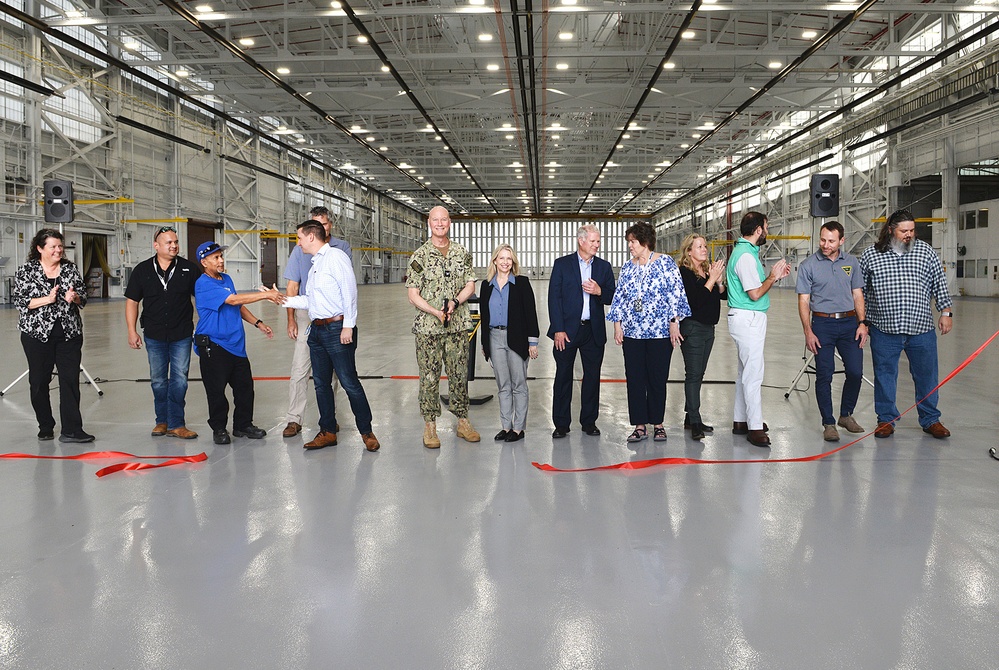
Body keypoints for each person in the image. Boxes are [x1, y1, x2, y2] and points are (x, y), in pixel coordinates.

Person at [283, 220, 379, 452]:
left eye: (299, 238)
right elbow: (310, 300)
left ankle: (366, 432)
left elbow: (350, 292)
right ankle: (327, 431)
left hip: (337, 330)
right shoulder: (315, 265)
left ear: (311, 237)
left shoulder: (335, 257)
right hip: (316, 330)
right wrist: (280, 299)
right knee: (321, 384)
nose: (298, 243)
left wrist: (348, 326)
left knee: (348, 382)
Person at [860, 209, 953, 439]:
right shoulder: (871, 255)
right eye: (904, 231)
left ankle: (931, 419)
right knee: (884, 376)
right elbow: (859, 291)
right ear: (891, 230)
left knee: (927, 376)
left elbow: (938, 283)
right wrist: (861, 321)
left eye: (912, 230)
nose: (909, 235)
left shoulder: (926, 252)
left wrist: (946, 312)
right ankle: (886, 420)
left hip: (921, 328)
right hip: (884, 328)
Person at [193, 241, 286, 445]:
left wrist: (257, 322)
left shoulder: (226, 279)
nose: (221, 260)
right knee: (216, 390)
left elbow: (238, 305)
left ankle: (243, 425)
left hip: (236, 344)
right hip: (214, 344)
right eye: (216, 257)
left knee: (245, 388)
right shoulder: (203, 283)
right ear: (204, 261)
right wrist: (267, 295)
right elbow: (232, 300)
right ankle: (219, 428)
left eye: (221, 256)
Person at [607, 222, 690, 442]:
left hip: (659, 332)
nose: (630, 247)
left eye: (633, 242)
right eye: (629, 242)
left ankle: (658, 424)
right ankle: (640, 425)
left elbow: (676, 294)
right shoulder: (627, 267)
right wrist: (617, 325)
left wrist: (674, 322)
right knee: (635, 379)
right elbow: (620, 298)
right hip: (632, 333)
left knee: (657, 378)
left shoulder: (665, 263)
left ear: (645, 241)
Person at [406, 206, 480, 449]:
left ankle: (462, 421)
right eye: (435, 220)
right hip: (429, 328)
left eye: (444, 220)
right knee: (429, 377)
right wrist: (435, 311)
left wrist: (456, 302)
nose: (440, 224)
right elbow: (413, 294)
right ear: (429, 222)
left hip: (457, 325)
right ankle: (430, 425)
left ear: (450, 222)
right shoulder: (420, 255)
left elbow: (471, 285)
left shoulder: (461, 252)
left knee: (459, 375)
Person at [12, 228, 94, 443]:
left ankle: (72, 430)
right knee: (39, 381)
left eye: (60, 246)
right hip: (36, 335)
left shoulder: (70, 269)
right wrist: (47, 299)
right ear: (40, 248)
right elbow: (20, 302)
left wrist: (74, 297)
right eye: (53, 247)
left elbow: (84, 297)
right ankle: (45, 425)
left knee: (70, 381)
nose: (59, 250)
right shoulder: (26, 271)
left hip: (69, 334)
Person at [282, 205, 353, 438]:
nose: (319, 229)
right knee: (300, 368)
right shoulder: (299, 249)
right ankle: (294, 419)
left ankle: (329, 419)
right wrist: (291, 319)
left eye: (323, 223)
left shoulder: (340, 249)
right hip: (307, 314)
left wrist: (347, 324)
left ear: (329, 225)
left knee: (331, 375)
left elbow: (347, 288)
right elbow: (293, 286)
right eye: (315, 224)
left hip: (333, 318)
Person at [124, 226, 201, 439]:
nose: (174, 245)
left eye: (175, 241)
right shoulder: (142, 270)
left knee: (180, 380)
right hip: (154, 333)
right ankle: (162, 421)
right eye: (168, 242)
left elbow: (201, 299)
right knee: (158, 380)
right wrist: (132, 331)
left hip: (182, 333)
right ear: (156, 246)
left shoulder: (188, 269)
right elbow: (132, 301)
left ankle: (177, 423)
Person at [796, 221, 868, 442]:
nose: (825, 245)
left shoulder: (852, 263)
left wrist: (863, 323)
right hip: (822, 325)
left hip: (849, 324)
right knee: (824, 375)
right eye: (822, 240)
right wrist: (808, 331)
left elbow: (857, 294)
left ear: (841, 241)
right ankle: (828, 423)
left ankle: (846, 415)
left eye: (831, 241)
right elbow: (803, 301)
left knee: (855, 372)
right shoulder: (809, 265)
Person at [726, 211, 791, 448]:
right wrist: (772, 277)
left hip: (747, 318)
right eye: (766, 226)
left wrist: (774, 277)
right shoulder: (745, 256)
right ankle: (754, 427)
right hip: (748, 318)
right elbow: (754, 293)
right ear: (758, 230)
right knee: (754, 374)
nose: (767, 230)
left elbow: (754, 287)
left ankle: (741, 420)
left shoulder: (746, 252)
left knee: (745, 372)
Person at [548, 224, 616, 438]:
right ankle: (561, 424)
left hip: (592, 331)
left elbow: (612, 297)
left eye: (598, 241)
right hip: (566, 331)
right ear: (581, 241)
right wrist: (558, 329)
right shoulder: (562, 265)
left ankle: (589, 422)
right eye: (593, 241)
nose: (597, 245)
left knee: (592, 377)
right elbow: (553, 299)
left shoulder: (604, 267)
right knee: (563, 377)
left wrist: (599, 291)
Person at [479, 244, 540, 443]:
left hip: (517, 338)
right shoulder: (486, 285)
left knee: (519, 384)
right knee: (503, 385)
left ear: (513, 262)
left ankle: (519, 428)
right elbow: (484, 315)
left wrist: (533, 342)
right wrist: (484, 344)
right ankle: (506, 427)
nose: (505, 262)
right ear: (494, 260)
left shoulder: (521, 283)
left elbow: (530, 314)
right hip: (494, 338)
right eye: (501, 258)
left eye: (509, 258)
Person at [677, 233, 727, 441]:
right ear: (689, 251)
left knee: (700, 373)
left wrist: (720, 282)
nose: (705, 249)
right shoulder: (684, 273)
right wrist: (712, 280)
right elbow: (694, 302)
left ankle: (691, 416)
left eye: (705, 246)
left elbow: (722, 295)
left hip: (709, 328)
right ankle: (695, 420)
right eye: (699, 247)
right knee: (694, 374)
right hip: (693, 327)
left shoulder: (707, 270)